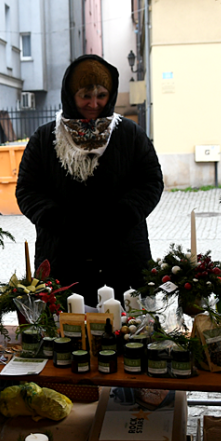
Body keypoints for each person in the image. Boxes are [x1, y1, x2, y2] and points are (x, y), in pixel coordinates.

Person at [16, 54, 163, 304]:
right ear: (71, 95)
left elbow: (151, 181)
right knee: (65, 334)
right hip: (62, 255)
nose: (94, 103)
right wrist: (57, 219)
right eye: (85, 95)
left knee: (125, 331)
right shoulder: (44, 139)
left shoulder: (130, 134)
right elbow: (27, 190)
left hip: (122, 253)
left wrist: (124, 213)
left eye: (101, 95)